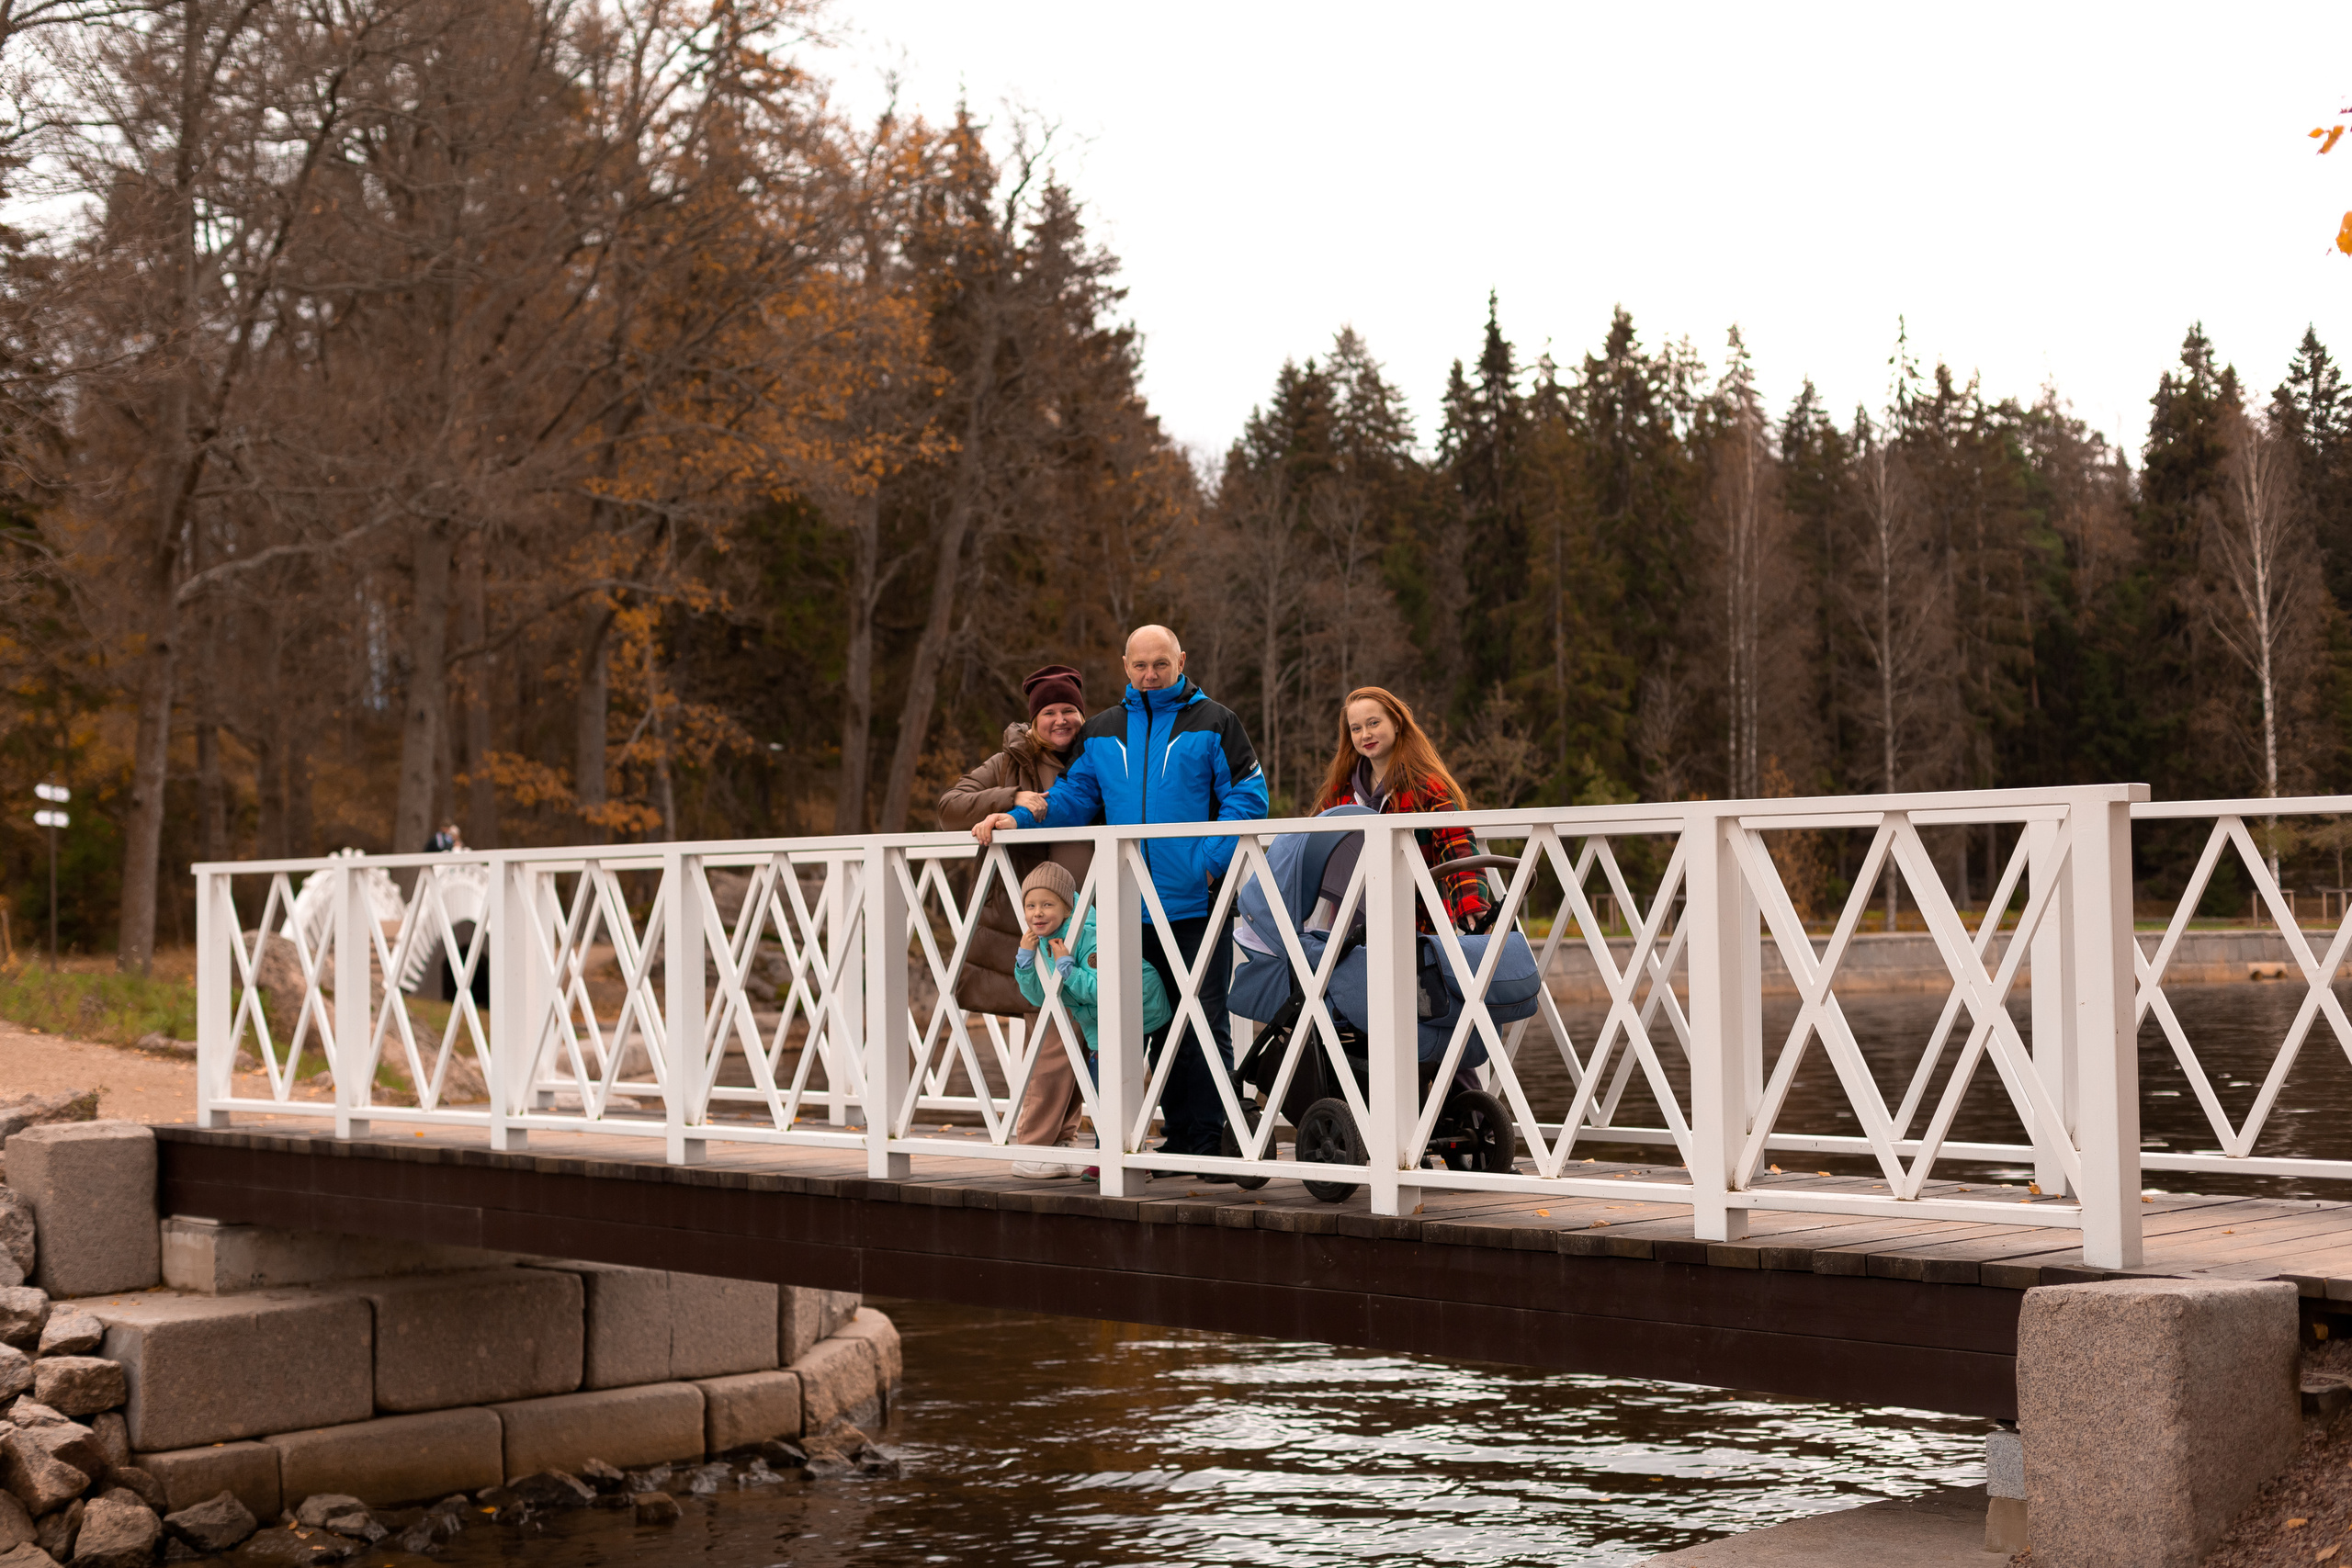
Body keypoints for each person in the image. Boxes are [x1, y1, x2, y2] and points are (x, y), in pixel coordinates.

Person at [973, 626, 1268, 1171]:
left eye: (1161, 664)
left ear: (1182, 660)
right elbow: (1072, 799)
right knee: (1126, 1018)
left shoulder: (1217, 722)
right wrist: (1013, 818)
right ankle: (1130, 1143)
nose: (1150, 675)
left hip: (1194, 903)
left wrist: (1208, 863)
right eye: (1140, 666)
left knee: (1199, 1017)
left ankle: (1200, 1142)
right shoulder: (1102, 731)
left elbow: (1248, 799)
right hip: (1124, 910)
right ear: (1125, 666)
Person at [936, 664, 1094, 1177]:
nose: (1061, 720)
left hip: (1091, 915)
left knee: (1084, 1024)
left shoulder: (1098, 756)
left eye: (1069, 709)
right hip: (1037, 916)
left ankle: (1062, 1141)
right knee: (1051, 1025)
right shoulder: (1010, 763)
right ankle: (1033, 1145)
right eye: (1049, 712)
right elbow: (949, 807)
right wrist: (1010, 799)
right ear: (1034, 720)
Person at [1312, 686, 1492, 932]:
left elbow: (1458, 845)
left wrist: (1471, 902)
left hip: (1418, 929)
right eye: (1356, 728)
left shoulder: (1428, 787)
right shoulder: (1339, 794)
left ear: (1397, 723)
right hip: (1350, 931)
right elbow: (1310, 849)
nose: (1365, 734)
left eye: (1373, 723)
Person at [1012, 860, 1172, 1066]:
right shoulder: (1039, 941)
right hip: (1099, 1024)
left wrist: (1068, 970)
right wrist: (1024, 962)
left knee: (1160, 1074)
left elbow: (1104, 992)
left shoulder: (1089, 937)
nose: (1037, 913)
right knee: (1102, 1089)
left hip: (1141, 1008)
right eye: (1030, 906)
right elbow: (1040, 998)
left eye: (1047, 904)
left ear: (1068, 910)